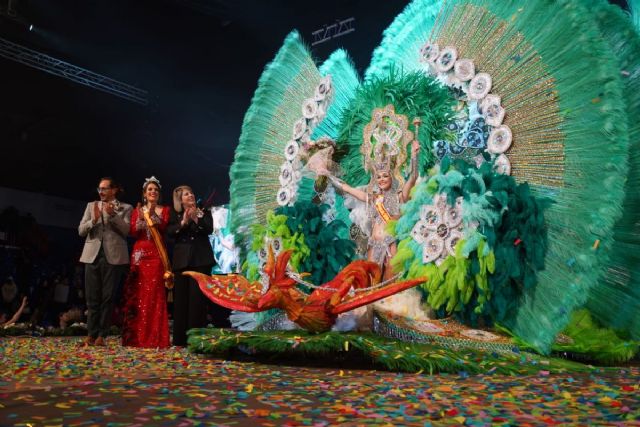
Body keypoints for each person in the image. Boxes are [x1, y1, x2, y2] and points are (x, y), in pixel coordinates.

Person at [78, 177, 132, 346]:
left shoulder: (125, 208)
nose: (100, 192)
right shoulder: (91, 206)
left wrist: (113, 216)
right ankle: (91, 334)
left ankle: (102, 335)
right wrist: (93, 220)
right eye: (99, 188)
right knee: (92, 297)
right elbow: (80, 230)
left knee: (107, 298)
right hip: (92, 255)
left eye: (104, 188)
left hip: (113, 256)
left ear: (114, 190)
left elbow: (127, 230)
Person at [167, 185, 220, 347]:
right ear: (180, 200)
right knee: (181, 301)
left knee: (197, 301)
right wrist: (183, 222)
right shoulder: (174, 214)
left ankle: (196, 340)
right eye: (185, 194)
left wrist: (196, 218)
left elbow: (210, 229)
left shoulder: (203, 210)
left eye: (191, 192)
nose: (190, 195)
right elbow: (169, 233)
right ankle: (180, 340)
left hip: (201, 260)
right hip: (182, 262)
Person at [121, 176, 171, 348]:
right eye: (150, 189)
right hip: (140, 255)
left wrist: (153, 217)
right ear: (144, 193)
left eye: (156, 190)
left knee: (154, 295)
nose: (153, 192)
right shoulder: (137, 210)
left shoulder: (164, 210)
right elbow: (133, 231)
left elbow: (164, 228)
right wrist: (143, 218)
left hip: (156, 254)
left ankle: (156, 337)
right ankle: (137, 338)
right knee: (138, 295)